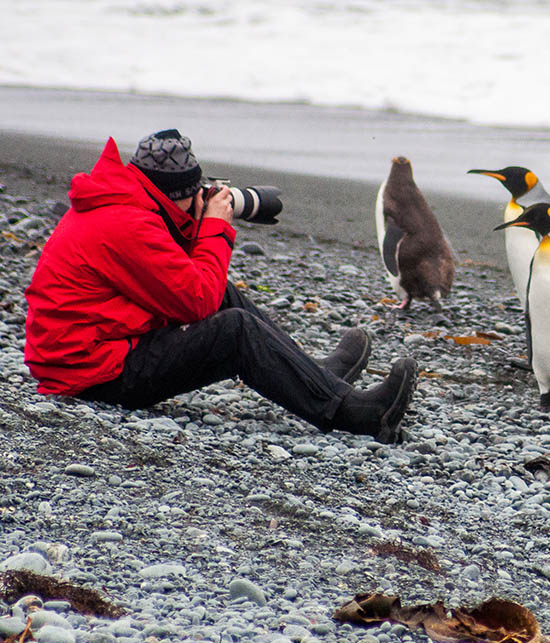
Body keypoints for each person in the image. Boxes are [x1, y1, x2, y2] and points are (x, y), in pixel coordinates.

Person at [24, 129, 417, 443]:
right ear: (173, 196)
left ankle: (316, 376)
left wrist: (195, 221)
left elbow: (184, 283)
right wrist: (213, 226)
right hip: (92, 372)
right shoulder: (127, 224)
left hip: (101, 347)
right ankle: (355, 413)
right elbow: (195, 301)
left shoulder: (127, 201)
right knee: (234, 330)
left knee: (223, 295)